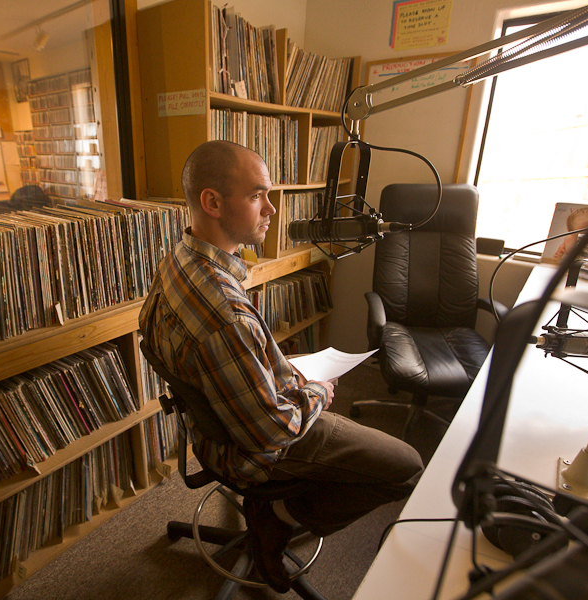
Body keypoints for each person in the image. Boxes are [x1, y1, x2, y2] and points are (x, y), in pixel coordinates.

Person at [139, 140, 424, 593]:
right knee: (407, 466)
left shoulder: (179, 259)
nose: (271, 209)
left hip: (211, 427)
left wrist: (276, 368)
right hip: (252, 450)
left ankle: (281, 503)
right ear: (212, 202)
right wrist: (315, 393)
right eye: (256, 196)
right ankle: (275, 515)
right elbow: (269, 433)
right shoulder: (225, 314)